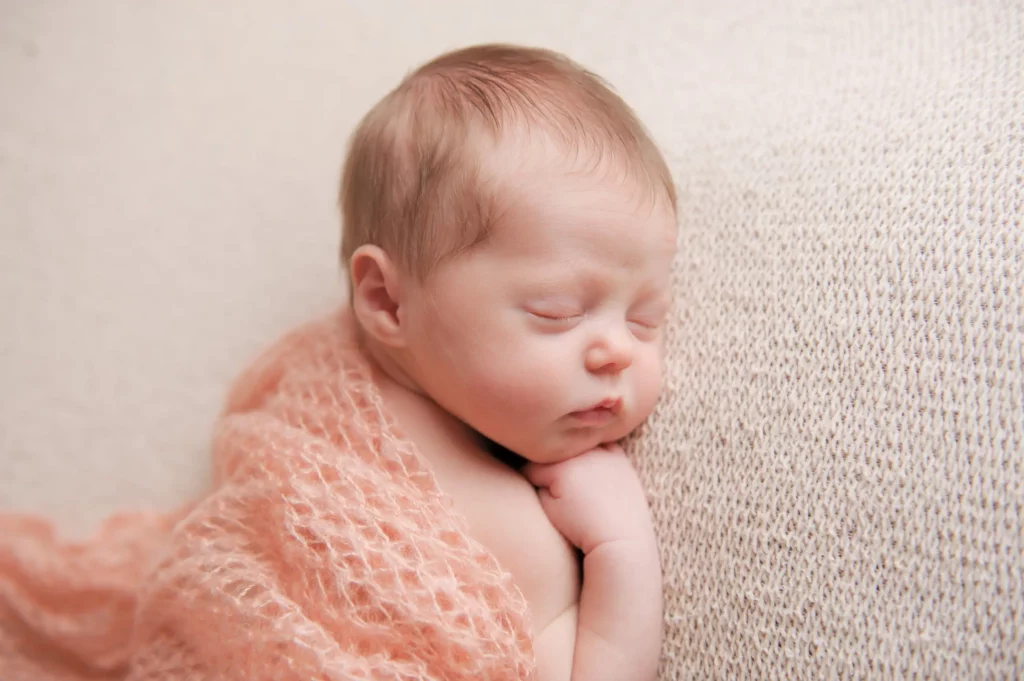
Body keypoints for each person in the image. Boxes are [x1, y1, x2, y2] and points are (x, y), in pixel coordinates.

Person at [342, 43, 677, 680]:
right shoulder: (501, 526)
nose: (618, 351)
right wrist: (621, 545)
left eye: (645, 319)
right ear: (386, 301)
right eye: (557, 311)